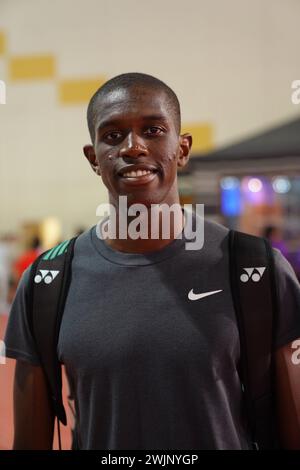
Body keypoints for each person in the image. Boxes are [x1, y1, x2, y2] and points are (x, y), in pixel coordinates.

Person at [4, 73, 300, 450]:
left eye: (154, 130)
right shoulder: (47, 281)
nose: (133, 147)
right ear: (93, 158)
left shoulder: (256, 269)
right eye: (113, 135)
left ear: (183, 148)